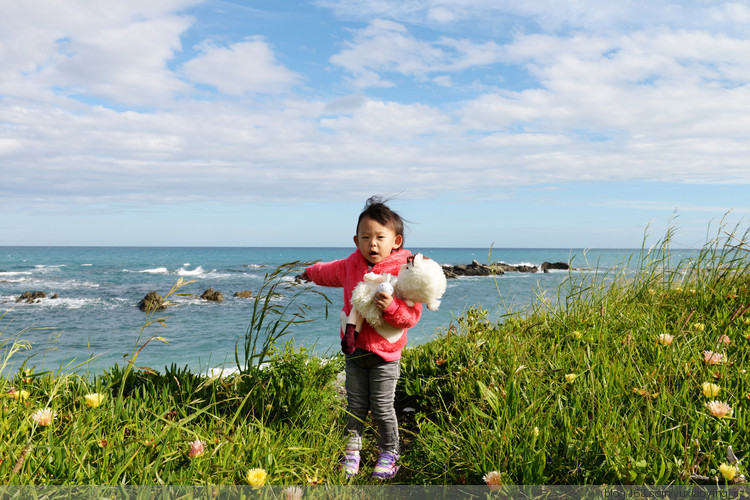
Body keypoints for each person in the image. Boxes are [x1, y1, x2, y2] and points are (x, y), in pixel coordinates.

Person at [299, 196, 422, 480]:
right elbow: (327, 271)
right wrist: (308, 272)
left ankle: (390, 452)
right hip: (354, 351)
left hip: (384, 355)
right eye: (366, 237)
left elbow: (411, 317)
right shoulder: (350, 264)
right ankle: (352, 451)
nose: (373, 244)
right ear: (356, 241)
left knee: (381, 406)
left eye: (380, 237)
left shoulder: (405, 272)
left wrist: (390, 307)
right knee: (354, 406)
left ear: (396, 241)